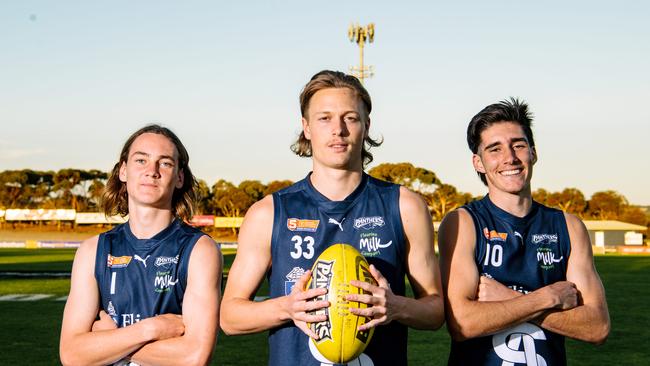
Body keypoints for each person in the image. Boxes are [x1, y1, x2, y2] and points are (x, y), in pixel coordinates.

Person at [220, 70, 445, 366]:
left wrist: (396, 307)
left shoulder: (405, 206)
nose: (337, 129)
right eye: (324, 118)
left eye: (350, 117)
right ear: (306, 127)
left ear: (366, 125)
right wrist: (288, 308)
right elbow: (230, 317)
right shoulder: (268, 213)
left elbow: (435, 311)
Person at [438, 98, 610, 365]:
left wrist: (509, 298)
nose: (509, 158)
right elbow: (462, 324)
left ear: (533, 152)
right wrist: (546, 297)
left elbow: (597, 327)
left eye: (518, 145)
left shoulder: (569, 226)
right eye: (494, 149)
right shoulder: (463, 223)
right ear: (478, 163)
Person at [60, 125, 222, 366]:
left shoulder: (199, 250)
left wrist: (108, 340)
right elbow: (72, 354)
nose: (152, 171)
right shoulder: (92, 251)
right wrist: (150, 329)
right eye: (140, 160)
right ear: (123, 171)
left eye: (165, 163)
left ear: (179, 177)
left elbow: (194, 356)